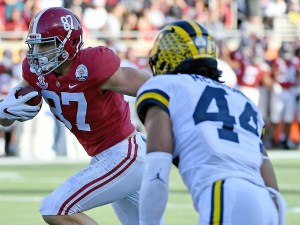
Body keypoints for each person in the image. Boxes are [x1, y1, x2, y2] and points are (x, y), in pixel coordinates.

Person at [0, 7, 164, 225]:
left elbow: (151, 87)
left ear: (70, 42)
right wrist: (4, 111)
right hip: (106, 158)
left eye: (47, 44)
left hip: (125, 154)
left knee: (55, 208)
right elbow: (11, 115)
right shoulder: (36, 72)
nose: (38, 51)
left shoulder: (93, 64)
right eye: (36, 44)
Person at [135, 20, 287, 225]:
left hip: (226, 194)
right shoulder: (241, 99)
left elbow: (157, 168)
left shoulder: (165, 85)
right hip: (268, 204)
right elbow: (267, 174)